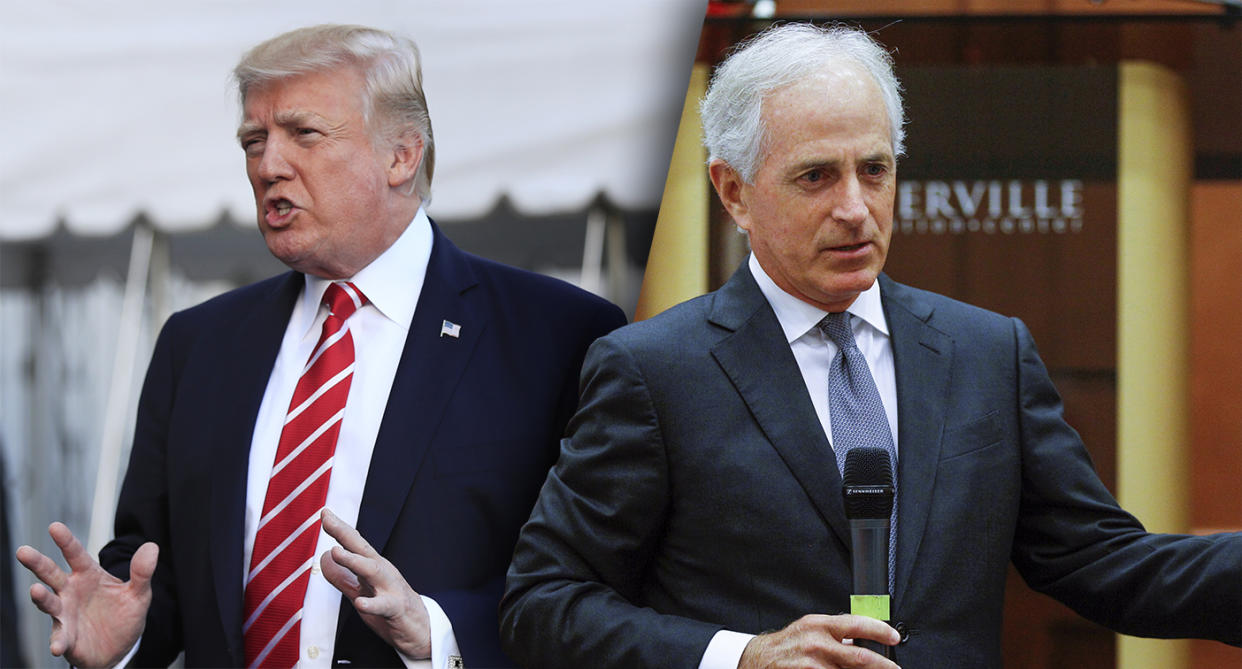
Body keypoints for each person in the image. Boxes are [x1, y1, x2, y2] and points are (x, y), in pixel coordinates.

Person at [499, 23, 1242, 669]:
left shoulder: (989, 354)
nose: (855, 209)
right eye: (816, 176)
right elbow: (543, 602)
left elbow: (1104, 561)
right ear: (733, 192)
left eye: (875, 170)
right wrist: (742, 653)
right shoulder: (655, 372)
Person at [16, 24, 625, 669]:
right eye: (254, 140)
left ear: (402, 156)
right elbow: (152, 571)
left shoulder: (560, 335)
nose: (268, 165)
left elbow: (599, 573)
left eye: (304, 134)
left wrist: (442, 632)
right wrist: (127, 638)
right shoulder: (197, 346)